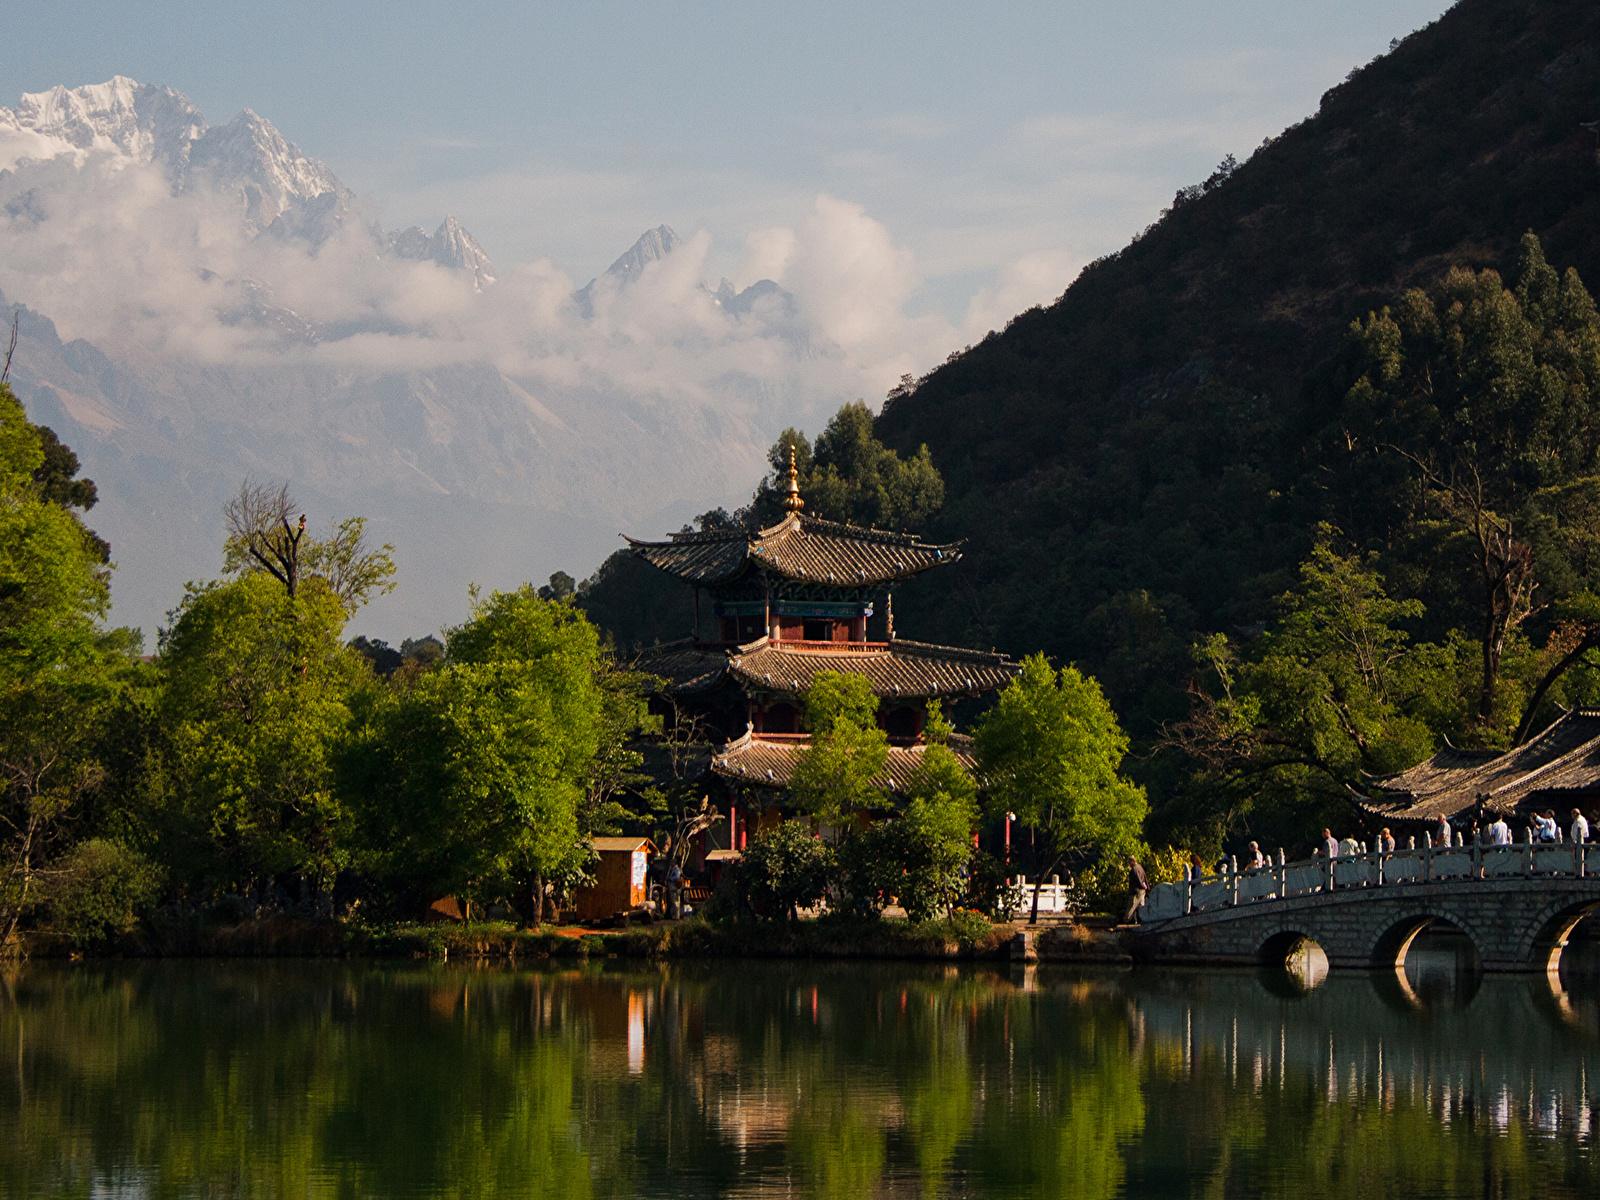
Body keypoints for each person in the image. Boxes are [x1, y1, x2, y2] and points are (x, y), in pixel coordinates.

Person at [1123, 855, 1148, 923]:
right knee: (1141, 906)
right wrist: (1146, 887)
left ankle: (1127, 920)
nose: (1129, 864)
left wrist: (1142, 885)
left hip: (1136, 891)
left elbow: (1138, 879)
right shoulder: (1140, 867)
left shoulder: (1134, 869)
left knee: (1132, 905)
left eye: (1129, 862)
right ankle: (1141, 920)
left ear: (1132, 861)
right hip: (1143, 891)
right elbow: (1144, 877)